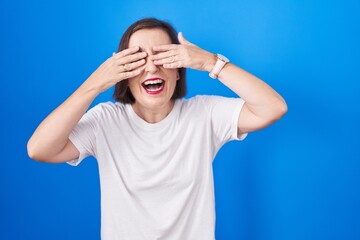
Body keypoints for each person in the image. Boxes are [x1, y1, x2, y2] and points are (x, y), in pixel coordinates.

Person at [27, 18, 287, 240]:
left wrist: (211, 63)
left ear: (178, 72)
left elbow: (273, 107)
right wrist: (96, 82)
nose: (151, 66)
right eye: (138, 59)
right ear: (124, 75)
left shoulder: (204, 114)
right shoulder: (105, 121)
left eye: (163, 56)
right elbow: (39, 149)